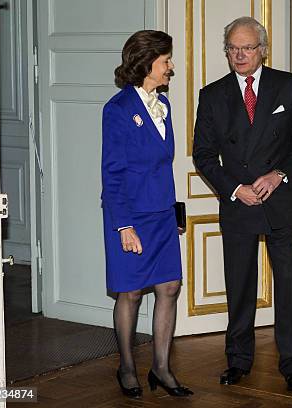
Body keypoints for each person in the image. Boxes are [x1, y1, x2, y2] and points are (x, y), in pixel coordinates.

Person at [192, 17, 292, 391]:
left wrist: (278, 174)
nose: (239, 54)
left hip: (282, 202)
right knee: (240, 287)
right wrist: (234, 189)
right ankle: (238, 360)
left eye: (247, 47)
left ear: (262, 49)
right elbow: (203, 155)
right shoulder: (212, 95)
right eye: (233, 48)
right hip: (239, 205)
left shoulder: (289, 86)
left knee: (290, 288)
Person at [101, 30, 192, 399]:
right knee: (132, 293)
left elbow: (162, 165)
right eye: (166, 60)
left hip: (161, 214)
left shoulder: (163, 105)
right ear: (147, 62)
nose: (171, 67)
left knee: (169, 286)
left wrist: (174, 212)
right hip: (130, 215)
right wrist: (124, 225)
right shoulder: (118, 109)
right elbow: (112, 172)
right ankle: (126, 366)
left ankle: (161, 367)